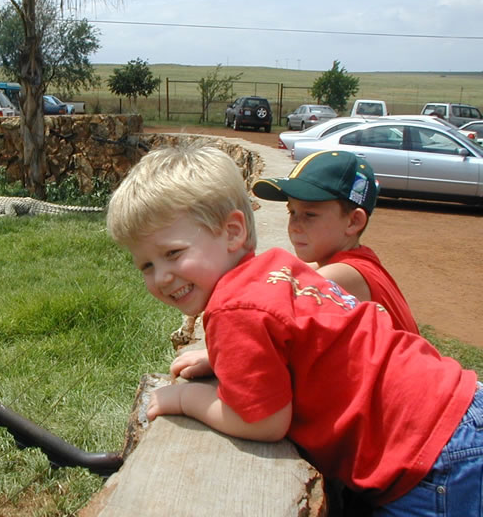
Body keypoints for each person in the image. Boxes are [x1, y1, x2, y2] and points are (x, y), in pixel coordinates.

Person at [106, 143, 481, 516]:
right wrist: (226, 358)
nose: (162, 276)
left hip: (432, 455)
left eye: (173, 253)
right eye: (146, 266)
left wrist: (184, 399)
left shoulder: (233, 307)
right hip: (455, 406)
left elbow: (263, 421)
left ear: (233, 232)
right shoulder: (277, 267)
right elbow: (295, 338)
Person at [251, 150, 419, 335]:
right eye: (292, 212)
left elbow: (258, 312)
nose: (294, 227)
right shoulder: (347, 261)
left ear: (353, 222)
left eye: (310, 214)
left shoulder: (343, 275)